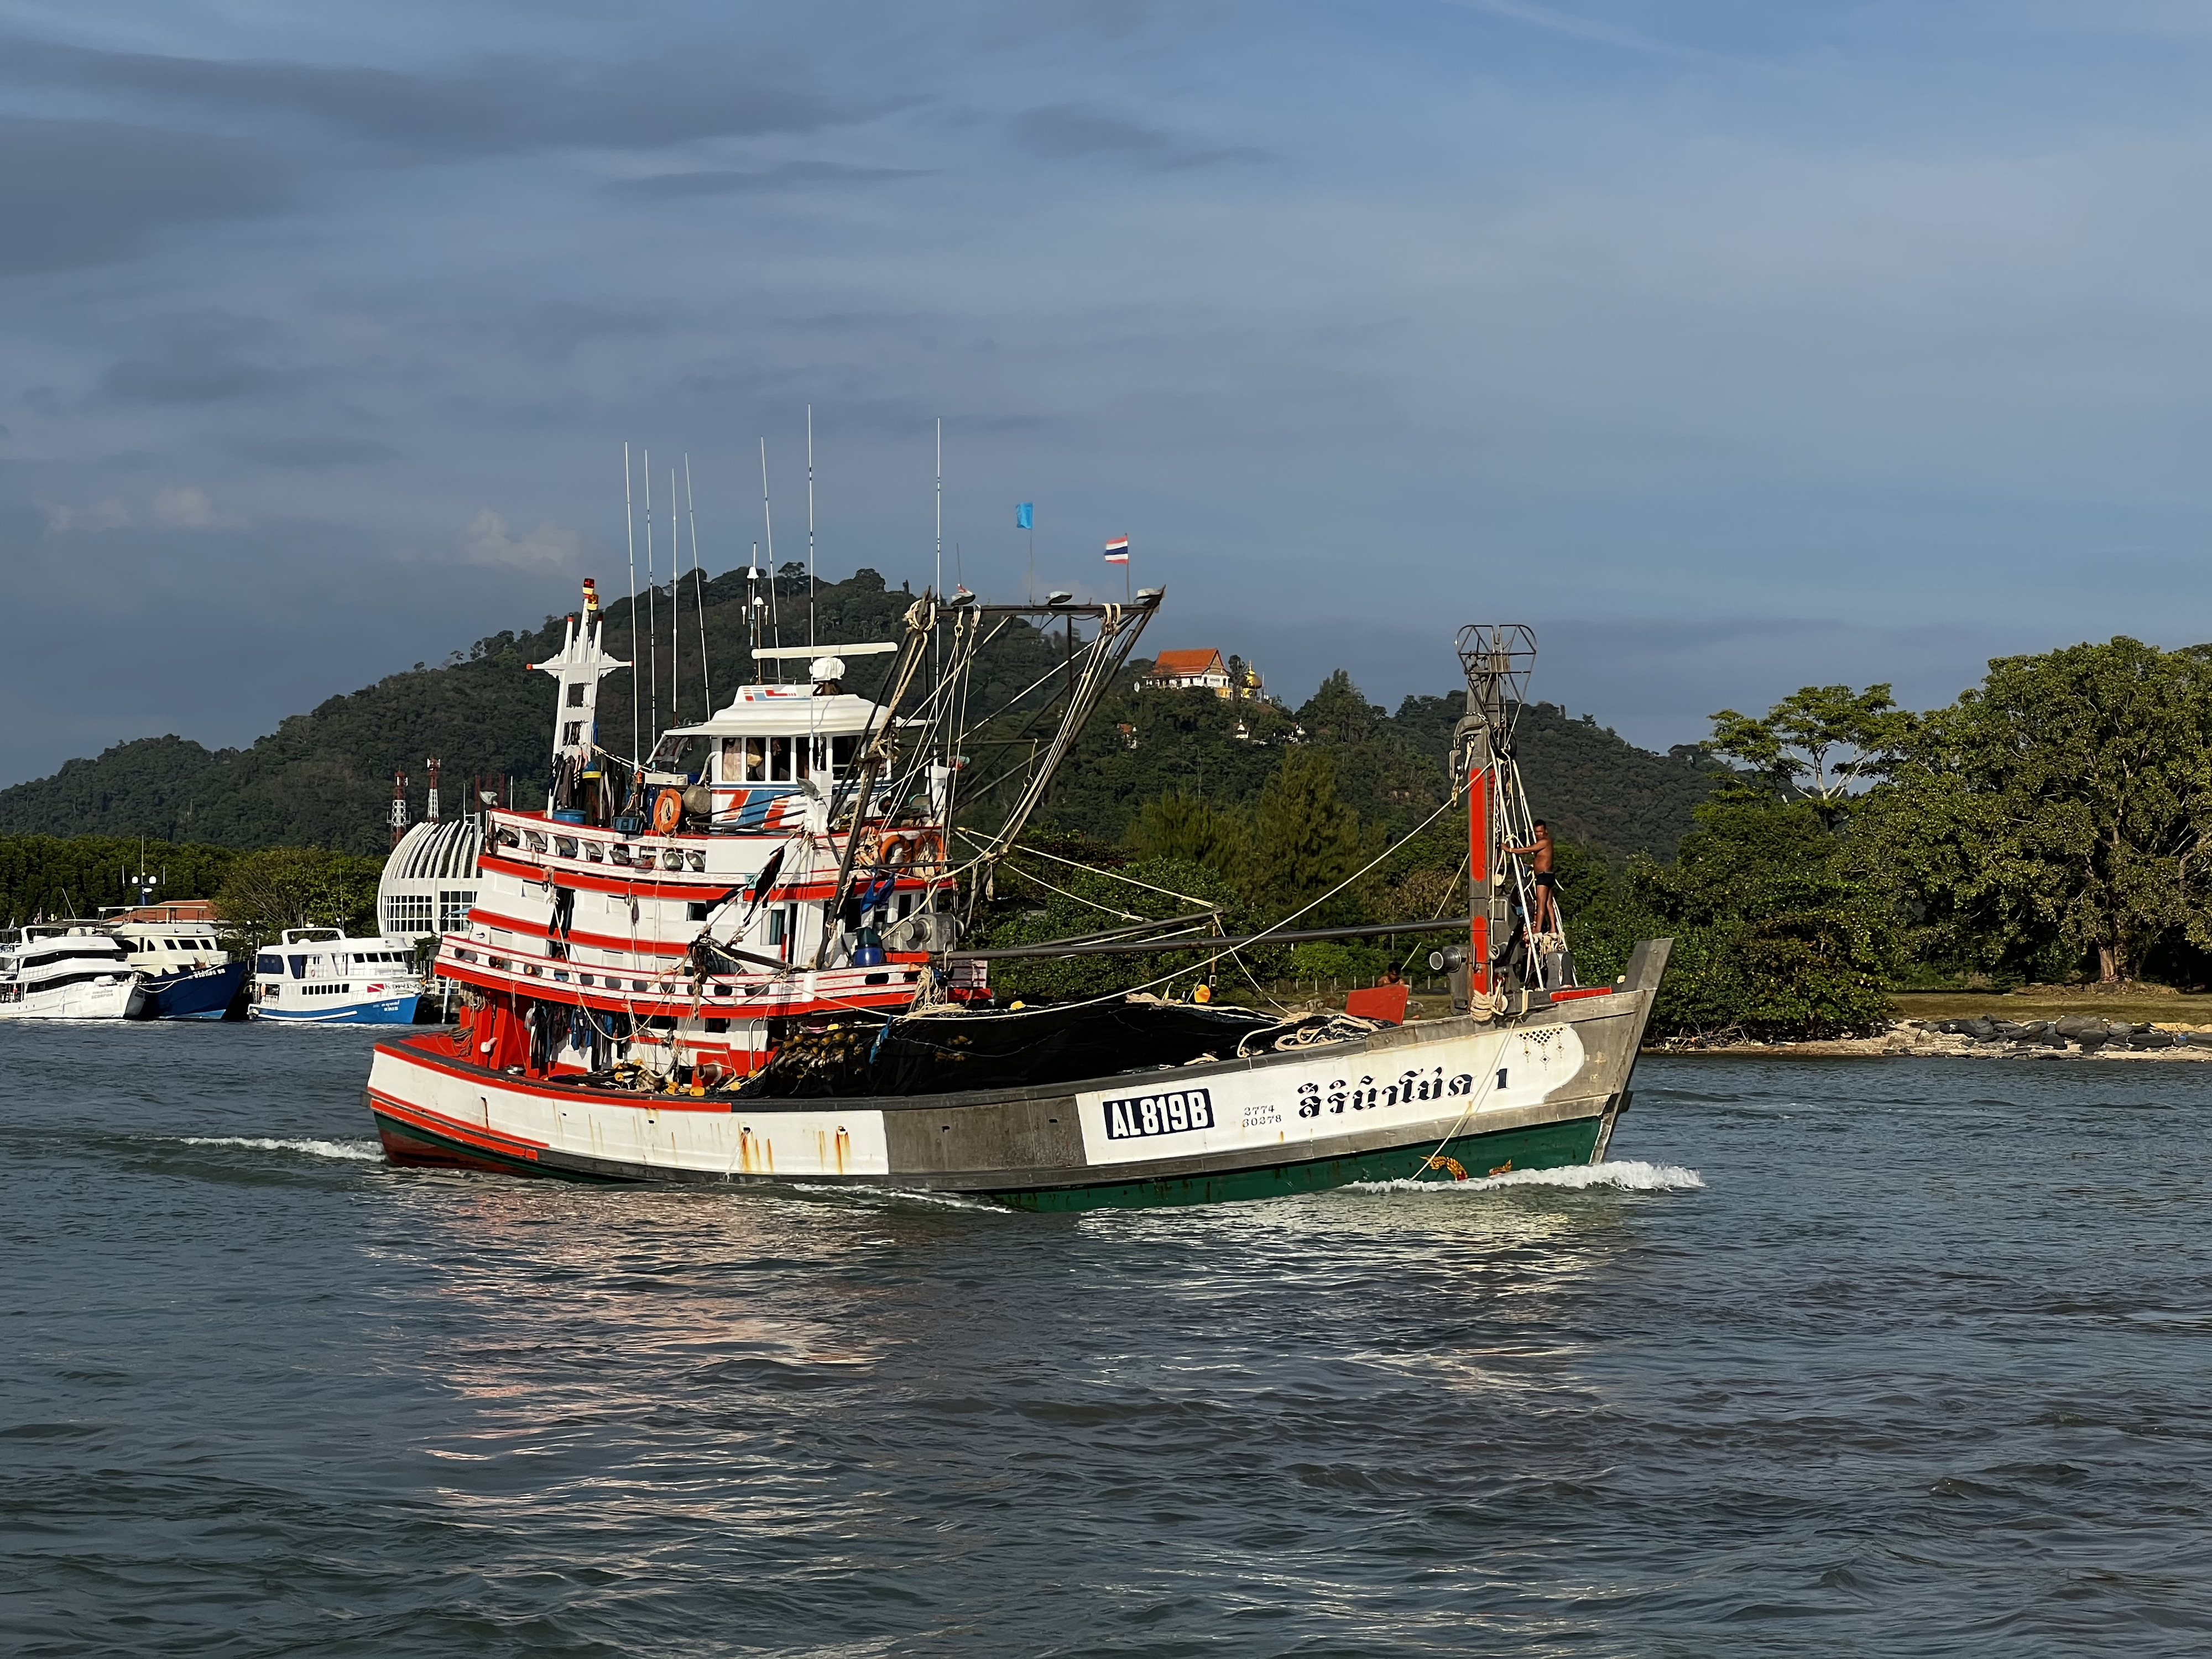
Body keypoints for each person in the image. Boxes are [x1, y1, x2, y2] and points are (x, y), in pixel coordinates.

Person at [1505, 820, 1558, 935]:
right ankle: (1553, 928)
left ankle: (1538, 929)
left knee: (1541, 903)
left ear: (1546, 831)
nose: (1538, 834)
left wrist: (1509, 849)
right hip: (1547, 876)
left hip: (1544, 877)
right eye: (1536, 832)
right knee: (1548, 904)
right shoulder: (1546, 843)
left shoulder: (1544, 842)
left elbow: (1527, 850)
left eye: (1540, 832)